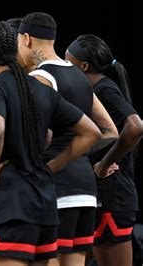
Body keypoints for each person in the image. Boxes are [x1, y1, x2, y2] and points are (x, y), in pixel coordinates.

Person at [0, 21, 101, 265]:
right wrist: (50, 167)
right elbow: (92, 132)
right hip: (44, 203)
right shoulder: (41, 90)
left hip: (10, 203)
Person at [16, 12, 118, 266]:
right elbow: (110, 131)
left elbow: (40, 139)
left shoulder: (39, 78)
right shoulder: (79, 77)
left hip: (55, 189)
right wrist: (77, 154)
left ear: (26, 39)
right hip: (85, 187)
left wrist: (51, 163)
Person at [66, 34, 143, 266]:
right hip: (101, 197)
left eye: (67, 63)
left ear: (83, 66)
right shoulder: (93, 93)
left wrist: (103, 164)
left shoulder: (103, 90)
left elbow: (135, 127)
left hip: (113, 198)